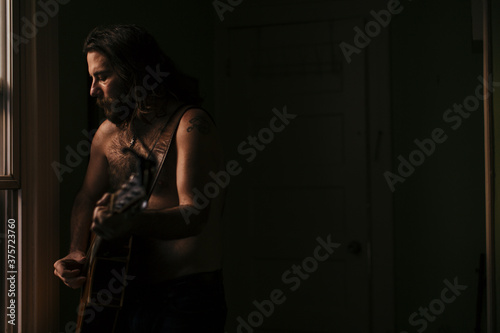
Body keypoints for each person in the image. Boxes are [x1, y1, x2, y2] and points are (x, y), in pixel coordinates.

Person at [53, 24, 227, 332]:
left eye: (102, 77)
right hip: (124, 293)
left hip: (185, 297)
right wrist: (77, 250)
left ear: (134, 71)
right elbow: (86, 196)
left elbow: (194, 215)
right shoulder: (107, 133)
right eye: (92, 78)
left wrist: (130, 221)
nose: (92, 89)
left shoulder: (191, 126)